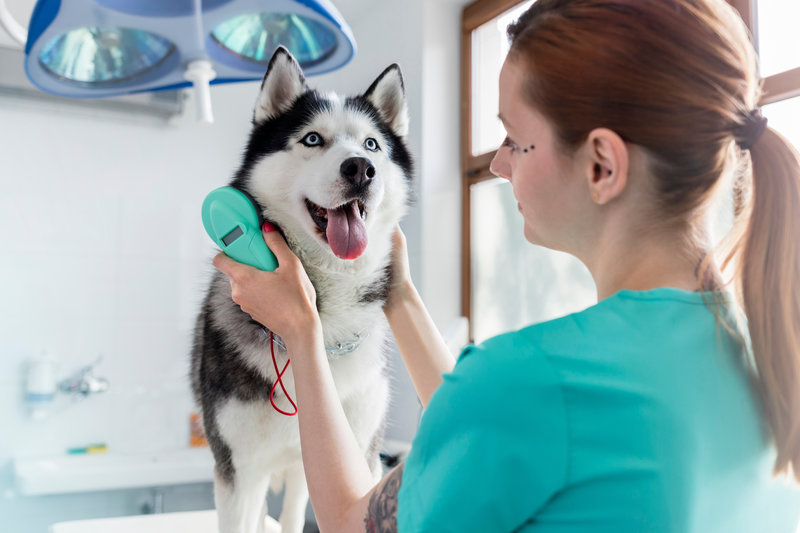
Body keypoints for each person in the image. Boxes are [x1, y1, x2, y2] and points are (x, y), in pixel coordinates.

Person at [212, 0, 800, 530]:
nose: (498, 164)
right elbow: (485, 430)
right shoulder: (765, 338)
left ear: (601, 165)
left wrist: (301, 330)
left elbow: (348, 523)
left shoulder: (533, 379)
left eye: (515, 140)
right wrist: (400, 295)